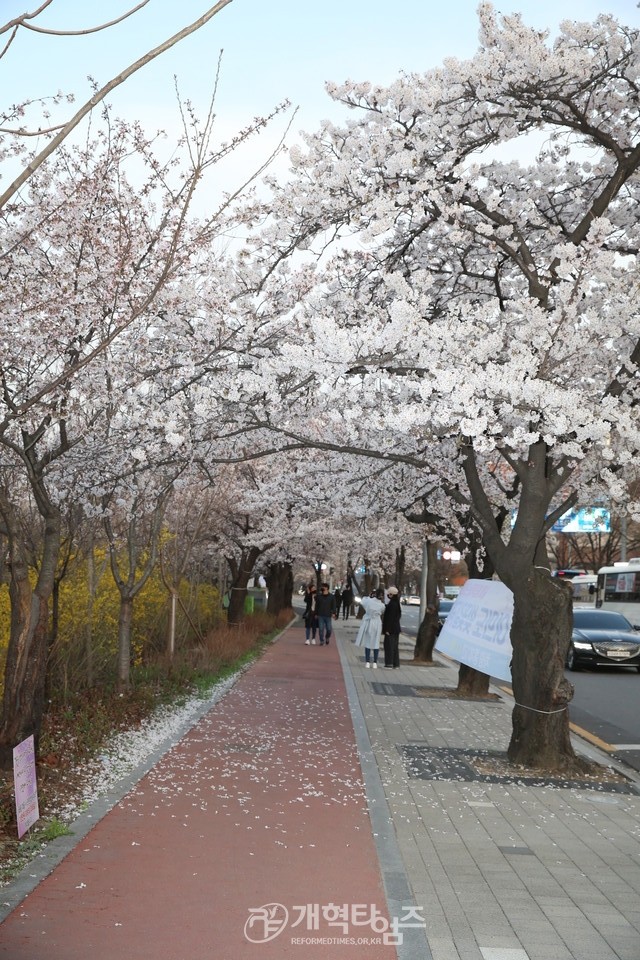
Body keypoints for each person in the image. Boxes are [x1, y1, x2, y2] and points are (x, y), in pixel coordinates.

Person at [354, 588, 385, 667]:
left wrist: (370, 596)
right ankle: (375, 662)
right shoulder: (382, 605)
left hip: (368, 622)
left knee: (368, 642)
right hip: (377, 623)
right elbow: (382, 612)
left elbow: (363, 601)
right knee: (376, 642)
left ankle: (367, 662)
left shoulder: (369, 601)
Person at [382, 586, 402, 668]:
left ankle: (389, 663)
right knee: (394, 647)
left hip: (391, 629)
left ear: (391, 594)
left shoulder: (392, 604)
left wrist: (387, 629)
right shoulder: (396, 603)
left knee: (389, 646)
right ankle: (395, 663)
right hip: (396, 628)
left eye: (388, 594)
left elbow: (390, 618)